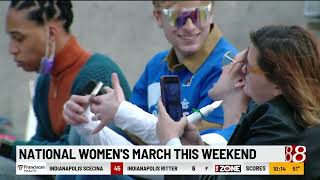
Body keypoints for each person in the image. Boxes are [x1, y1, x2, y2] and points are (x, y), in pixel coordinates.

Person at [63, 0, 238, 146]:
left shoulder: (228, 67)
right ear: (159, 17)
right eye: (178, 17)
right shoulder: (156, 65)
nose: (190, 26)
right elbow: (135, 145)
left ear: (211, 12)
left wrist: (122, 111)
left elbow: (192, 152)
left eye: (199, 14)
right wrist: (86, 118)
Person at [156, 25, 320, 180]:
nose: (241, 71)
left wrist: (170, 142)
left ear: (279, 84)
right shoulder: (278, 118)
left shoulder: (276, 127)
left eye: (248, 66)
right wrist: (196, 149)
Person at [1, 0, 132, 179]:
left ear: (51, 34)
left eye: (19, 38)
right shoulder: (45, 81)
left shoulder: (97, 74)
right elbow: (40, 143)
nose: (12, 49)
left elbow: (71, 159)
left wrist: (6, 146)